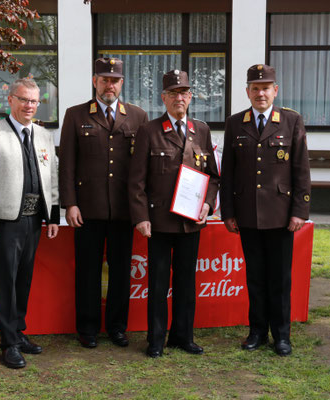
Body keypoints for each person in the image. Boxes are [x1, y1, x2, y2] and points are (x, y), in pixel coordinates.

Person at [220, 64, 311, 357]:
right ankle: (257, 331)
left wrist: (299, 211)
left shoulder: (291, 121)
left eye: (266, 87)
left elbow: (301, 169)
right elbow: (229, 173)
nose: (261, 93)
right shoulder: (236, 123)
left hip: (281, 216)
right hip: (247, 215)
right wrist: (228, 212)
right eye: (255, 88)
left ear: (275, 90)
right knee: (255, 277)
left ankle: (281, 335)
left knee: (280, 279)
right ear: (248, 91)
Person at [128, 70, 220, 358]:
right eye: (173, 94)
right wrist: (141, 217)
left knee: (185, 283)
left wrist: (207, 203)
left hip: (191, 222)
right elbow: (137, 180)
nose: (179, 98)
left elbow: (213, 177)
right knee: (157, 284)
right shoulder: (149, 130)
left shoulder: (201, 130)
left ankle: (183, 336)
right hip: (158, 222)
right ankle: (156, 340)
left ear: (190, 97)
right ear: (163, 98)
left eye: (184, 93)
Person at [0, 78, 60, 369]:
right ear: (10, 100)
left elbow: (51, 178)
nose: (30, 106)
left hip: (33, 220)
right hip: (3, 221)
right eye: (24, 100)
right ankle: (8, 343)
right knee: (5, 281)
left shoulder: (44, 135)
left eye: (34, 101)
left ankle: (18, 333)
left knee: (24, 279)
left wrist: (53, 216)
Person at [59, 58, 148, 349]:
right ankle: (87, 328)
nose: (109, 85)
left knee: (122, 271)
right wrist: (70, 203)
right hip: (87, 208)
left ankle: (117, 327)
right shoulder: (75, 115)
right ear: (94, 81)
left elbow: (142, 168)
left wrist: (141, 209)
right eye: (104, 79)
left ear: (122, 83)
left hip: (124, 210)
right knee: (88, 271)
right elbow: (68, 165)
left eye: (115, 80)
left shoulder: (137, 116)